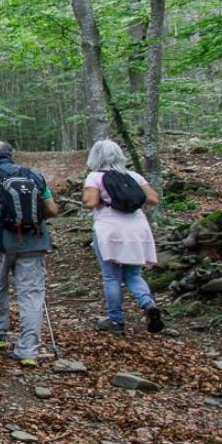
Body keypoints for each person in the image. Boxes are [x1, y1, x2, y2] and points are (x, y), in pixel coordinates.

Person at [0, 140, 59, 366]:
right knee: (31, 294)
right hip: (33, 243)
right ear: (12, 155)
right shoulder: (34, 175)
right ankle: (28, 351)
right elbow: (53, 210)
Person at [82, 139, 164, 336]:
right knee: (134, 275)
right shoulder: (133, 176)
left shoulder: (95, 177)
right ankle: (148, 304)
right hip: (137, 229)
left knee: (111, 277)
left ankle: (117, 322)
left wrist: (99, 198)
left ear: (95, 157)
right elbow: (153, 199)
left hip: (109, 230)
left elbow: (90, 202)